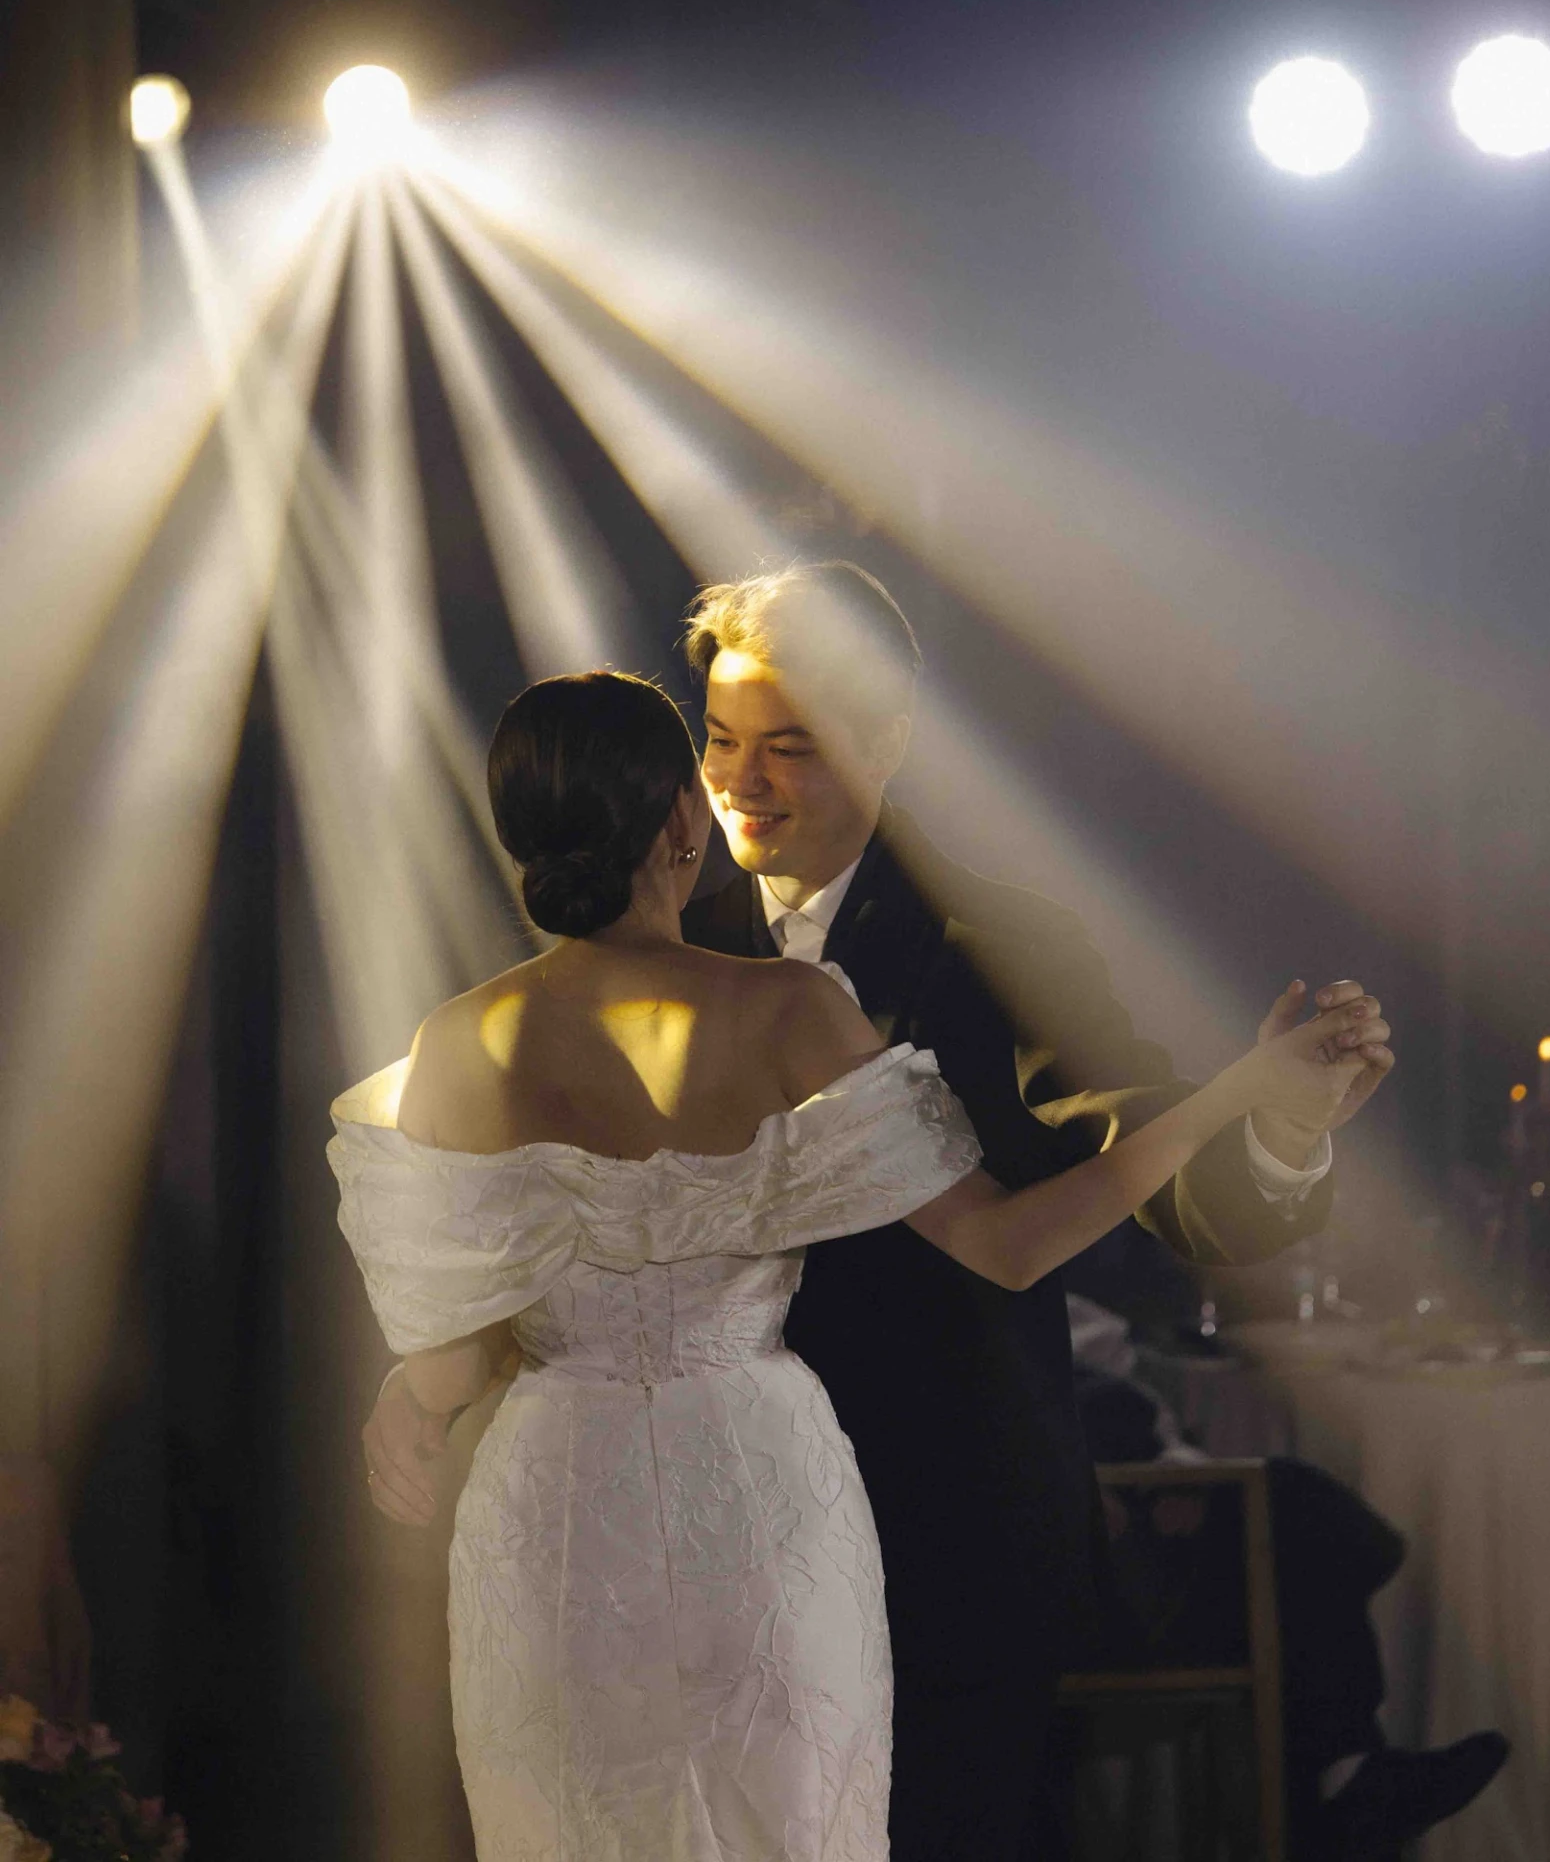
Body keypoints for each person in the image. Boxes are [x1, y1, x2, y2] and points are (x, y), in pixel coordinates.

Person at [333, 669, 1386, 1862]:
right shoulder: (786, 1008)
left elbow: (454, 1347)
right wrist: (1233, 1095)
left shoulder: (457, 1042)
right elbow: (1006, 1245)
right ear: (680, 818)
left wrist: (412, 1397)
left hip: (557, 1495)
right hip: (756, 1480)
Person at [1067, 1290, 1510, 1861]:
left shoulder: (1053, 1324)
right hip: (1079, 1592)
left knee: (1288, 1553)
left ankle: (1349, 1782)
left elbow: (1116, 1389)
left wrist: (1176, 1479)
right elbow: (1092, 1416)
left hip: (1133, 1536)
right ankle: (1349, 1786)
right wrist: (1141, 1487)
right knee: (1291, 1517)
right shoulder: (991, 1339)